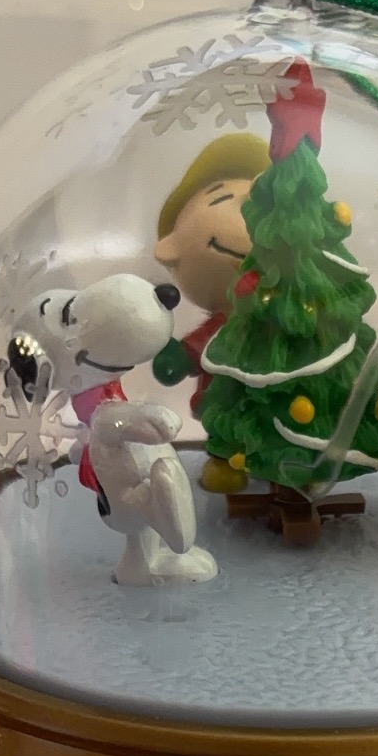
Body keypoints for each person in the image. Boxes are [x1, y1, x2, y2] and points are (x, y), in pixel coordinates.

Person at [152, 132, 270, 494]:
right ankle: (224, 462)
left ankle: (281, 466)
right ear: (171, 248)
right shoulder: (224, 325)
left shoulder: (285, 317)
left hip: (278, 404)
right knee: (224, 427)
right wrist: (180, 356)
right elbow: (204, 343)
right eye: (222, 199)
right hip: (222, 400)